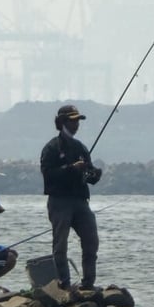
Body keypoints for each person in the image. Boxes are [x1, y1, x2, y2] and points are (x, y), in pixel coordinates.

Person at [39, 104, 103, 290]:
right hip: (59, 202)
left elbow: (90, 176)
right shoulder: (51, 148)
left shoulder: (80, 148)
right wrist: (71, 169)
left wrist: (94, 174)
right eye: (72, 121)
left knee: (91, 240)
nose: (76, 125)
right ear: (62, 122)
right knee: (60, 244)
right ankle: (64, 284)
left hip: (80, 202)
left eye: (77, 121)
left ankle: (88, 283)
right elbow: (48, 175)